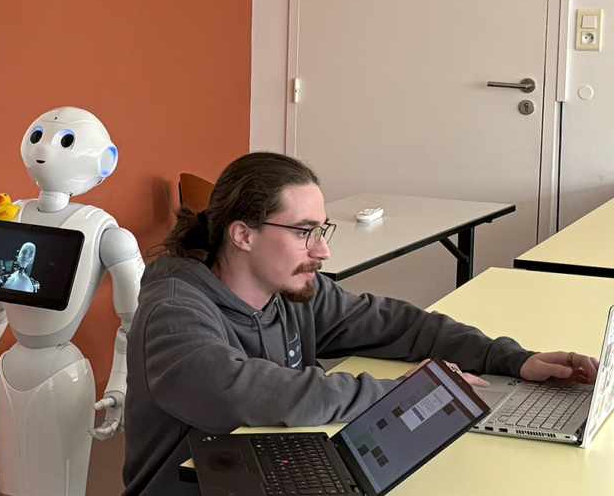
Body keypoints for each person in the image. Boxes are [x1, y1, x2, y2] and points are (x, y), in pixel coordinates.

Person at [121, 152, 599, 496]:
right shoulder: (175, 307)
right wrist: (395, 394)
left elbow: (400, 327)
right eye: (304, 232)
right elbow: (238, 391)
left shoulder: (295, 288)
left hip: (274, 468)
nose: (323, 250)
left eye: (321, 230)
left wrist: (511, 358)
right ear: (243, 234)